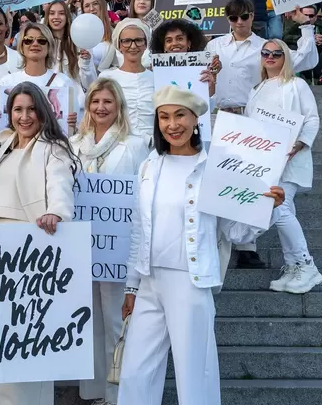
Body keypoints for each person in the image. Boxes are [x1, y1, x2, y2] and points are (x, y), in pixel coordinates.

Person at [119, 85, 284, 405]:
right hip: (150, 280)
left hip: (190, 280)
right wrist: (132, 286)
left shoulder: (215, 167)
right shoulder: (150, 165)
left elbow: (235, 233)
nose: (172, 124)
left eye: (180, 115)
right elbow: (138, 228)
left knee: (195, 371)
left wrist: (268, 208)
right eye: (164, 117)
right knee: (135, 372)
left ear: (196, 119)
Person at [0, 81, 78, 405]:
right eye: (17, 109)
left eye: (30, 109)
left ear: (42, 111)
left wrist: (56, 214)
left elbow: (61, 188)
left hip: (29, 254)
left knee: (27, 343)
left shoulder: (53, 147)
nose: (24, 116)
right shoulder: (2, 144)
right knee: (1, 341)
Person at [207, 0, 318, 268]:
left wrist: (306, 28)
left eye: (244, 16)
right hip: (218, 114)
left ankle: (247, 246)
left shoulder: (263, 47)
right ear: (228, 19)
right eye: (233, 18)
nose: (239, 22)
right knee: (223, 179)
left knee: (251, 181)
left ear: (252, 16)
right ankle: (219, 241)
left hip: (252, 118)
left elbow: (299, 59)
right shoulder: (214, 46)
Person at [71, 78, 148, 405]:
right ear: (87, 106)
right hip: (80, 245)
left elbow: (141, 195)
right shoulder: (73, 144)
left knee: (116, 320)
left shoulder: (135, 144)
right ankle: (91, 391)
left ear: (119, 107)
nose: (101, 107)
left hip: (118, 247)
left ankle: (117, 394)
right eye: (95, 102)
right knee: (86, 319)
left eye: (107, 102)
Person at [246, 39, 322, 293]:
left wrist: (300, 143)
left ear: (285, 57)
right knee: (283, 209)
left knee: (279, 210)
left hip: (289, 159)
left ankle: (306, 264)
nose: (270, 57)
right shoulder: (256, 88)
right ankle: (293, 265)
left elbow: (311, 118)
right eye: (265, 53)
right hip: (263, 161)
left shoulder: (297, 84)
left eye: (276, 53)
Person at [0, 22, 84, 129]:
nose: (35, 44)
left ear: (49, 47)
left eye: (41, 41)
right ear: (22, 46)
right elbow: (2, 127)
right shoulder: (6, 82)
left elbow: (74, 126)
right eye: (28, 40)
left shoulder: (63, 82)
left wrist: (73, 124)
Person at [99, 19, 154, 140]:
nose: (133, 46)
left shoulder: (155, 78)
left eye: (139, 40)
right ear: (119, 45)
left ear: (145, 44)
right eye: (127, 41)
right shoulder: (107, 78)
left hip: (152, 148)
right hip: (117, 145)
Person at [283, 5, 322, 86]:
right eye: (305, 15)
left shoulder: (320, 27)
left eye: (311, 16)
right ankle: (300, 77)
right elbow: (285, 37)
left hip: (319, 62)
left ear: (315, 17)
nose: (308, 18)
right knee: (291, 46)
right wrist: (306, 39)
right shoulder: (295, 27)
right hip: (302, 64)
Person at [45, 0, 96, 91]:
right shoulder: (41, 43)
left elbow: (90, 84)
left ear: (67, 16)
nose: (56, 17)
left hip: (75, 101)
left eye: (61, 13)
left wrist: (85, 63)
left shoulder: (79, 42)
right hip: (48, 100)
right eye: (52, 13)